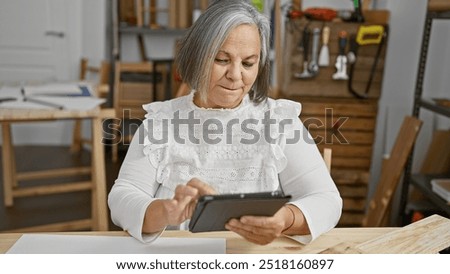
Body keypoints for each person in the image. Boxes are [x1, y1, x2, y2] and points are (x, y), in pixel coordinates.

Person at [108, 0, 342, 245]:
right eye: (221, 59)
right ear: (197, 56)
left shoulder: (279, 120)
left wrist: (285, 219)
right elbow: (122, 198)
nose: (235, 75)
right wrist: (165, 211)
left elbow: (327, 200)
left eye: (248, 63)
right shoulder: (161, 122)